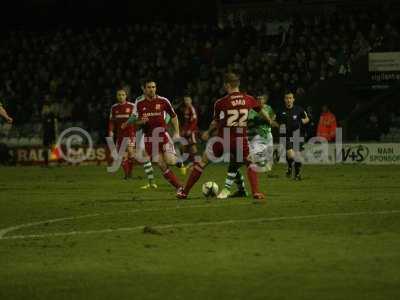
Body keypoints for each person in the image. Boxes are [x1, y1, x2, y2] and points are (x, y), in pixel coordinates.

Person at [177, 72, 278, 200]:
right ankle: (256, 192)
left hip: (223, 139)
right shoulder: (249, 99)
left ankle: (184, 192)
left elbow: (215, 122)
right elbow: (260, 110)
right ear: (238, 84)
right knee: (250, 164)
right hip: (241, 139)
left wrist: (207, 132)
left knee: (202, 163)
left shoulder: (220, 103)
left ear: (227, 85)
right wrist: (269, 119)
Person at [124, 79, 182, 191]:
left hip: (162, 136)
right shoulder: (139, 103)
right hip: (149, 138)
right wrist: (141, 122)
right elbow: (135, 121)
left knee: (170, 161)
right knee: (160, 163)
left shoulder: (163, 101)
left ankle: (178, 160)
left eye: (153, 87)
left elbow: (173, 116)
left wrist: (177, 132)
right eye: (149, 87)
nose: (152, 89)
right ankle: (179, 187)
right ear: (144, 89)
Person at [218, 93, 276, 199]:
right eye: (257, 98)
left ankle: (231, 189)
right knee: (236, 161)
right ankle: (239, 190)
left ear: (265, 99)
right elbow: (246, 122)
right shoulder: (250, 109)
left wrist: (269, 121)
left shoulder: (268, 108)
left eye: (261, 98)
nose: (259, 100)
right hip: (251, 139)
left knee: (237, 162)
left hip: (263, 139)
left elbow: (272, 120)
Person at [108, 88, 157, 189]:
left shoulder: (132, 106)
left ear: (126, 96)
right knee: (121, 156)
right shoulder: (114, 108)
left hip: (131, 134)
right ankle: (128, 175)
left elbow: (137, 119)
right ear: (116, 96)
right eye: (119, 95)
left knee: (130, 152)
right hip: (120, 135)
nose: (121, 97)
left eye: (122, 95)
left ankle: (136, 171)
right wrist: (111, 131)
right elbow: (112, 121)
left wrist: (141, 122)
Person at [276, 91, 309, 180]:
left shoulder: (299, 109)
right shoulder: (280, 111)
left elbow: (307, 119)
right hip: (285, 135)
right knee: (291, 155)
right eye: (287, 98)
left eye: (290, 98)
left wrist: (301, 122)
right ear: (284, 100)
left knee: (297, 155)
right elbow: (273, 121)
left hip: (297, 135)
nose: (288, 100)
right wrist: (278, 125)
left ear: (293, 99)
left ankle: (297, 174)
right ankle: (290, 166)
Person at [179, 95, 199, 171]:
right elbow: (186, 122)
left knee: (192, 146)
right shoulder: (186, 109)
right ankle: (188, 163)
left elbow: (194, 121)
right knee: (183, 146)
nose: (186, 101)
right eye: (185, 100)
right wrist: (183, 130)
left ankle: (195, 163)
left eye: (187, 100)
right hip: (186, 130)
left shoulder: (192, 108)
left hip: (192, 131)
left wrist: (190, 130)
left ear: (191, 100)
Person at [41, 103, 58, 167]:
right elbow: (43, 127)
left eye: (45, 108)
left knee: (53, 148)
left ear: (48, 108)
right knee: (45, 148)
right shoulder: (44, 116)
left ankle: (57, 161)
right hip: (45, 134)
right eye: (44, 108)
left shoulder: (52, 115)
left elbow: (55, 126)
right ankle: (46, 163)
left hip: (51, 134)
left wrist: (55, 134)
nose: (44, 109)